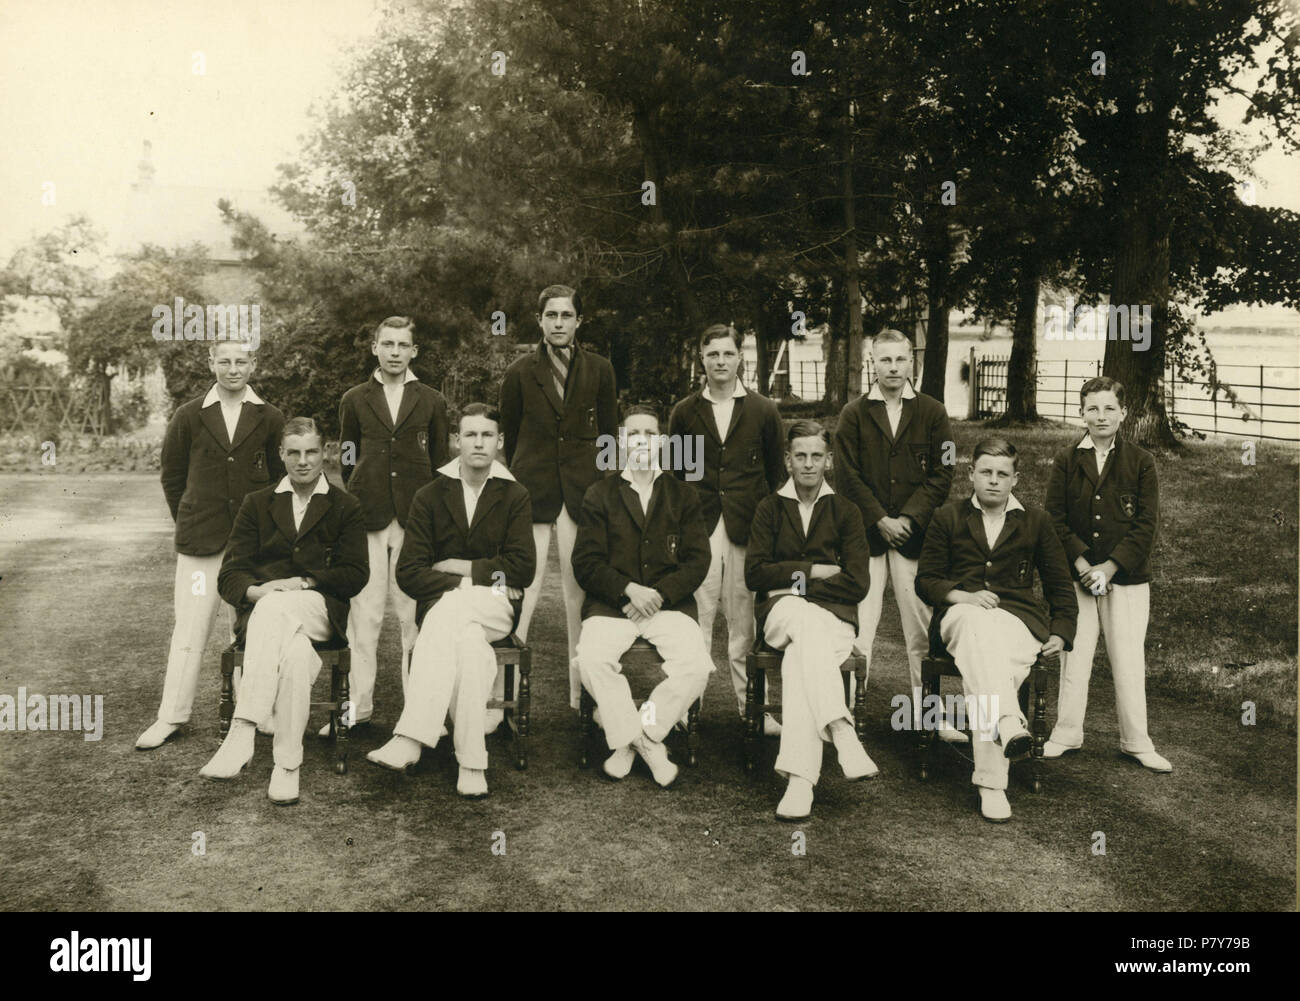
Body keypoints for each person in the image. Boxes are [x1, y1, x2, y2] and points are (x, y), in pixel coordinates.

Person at [366, 403, 535, 798]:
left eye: (487, 435)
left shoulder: (515, 495)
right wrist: (479, 581)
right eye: (471, 435)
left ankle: (412, 736)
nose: (479, 443)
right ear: (458, 440)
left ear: (500, 442)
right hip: (469, 603)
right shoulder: (429, 495)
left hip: (497, 608)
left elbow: (523, 568)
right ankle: (473, 763)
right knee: (470, 648)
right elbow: (409, 571)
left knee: (448, 616)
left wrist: (459, 567)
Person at [199, 418, 369, 805]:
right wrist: (259, 591)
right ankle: (287, 766)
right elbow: (230, 574)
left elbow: (356, 574)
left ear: (324, 453)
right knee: (293, 656)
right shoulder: (257, 503)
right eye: (294, 453)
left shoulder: (345, 506)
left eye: (311, 452)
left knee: (279, 608)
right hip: (268, 616)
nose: (304, 461)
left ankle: (243, 729)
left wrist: (305, 583)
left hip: (320, 609)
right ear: (281, 455)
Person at [916, 437, 1078, 822]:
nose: (993, 480)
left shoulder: (1036, 520)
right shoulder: (947, 516)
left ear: (1015, 479)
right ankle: (1007, 723)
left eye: (1002, 474)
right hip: (960, 618)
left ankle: (992, 782)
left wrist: (1061, 631)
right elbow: (926, 581)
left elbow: (1059, 584)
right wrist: (962, 596)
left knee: (988, 662)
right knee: (976, 625)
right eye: (985, 472)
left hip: (1016, 622)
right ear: (970, 474)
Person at [136, 338, 285, 750]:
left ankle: (255, 711)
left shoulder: (270, 417)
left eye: (241, 361)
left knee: (254, 627)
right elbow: (173, 477)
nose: (233, 368)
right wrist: (192, 518)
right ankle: (172, 715)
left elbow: (279, 481)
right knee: (190, 626)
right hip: (201, 547)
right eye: (224, 361)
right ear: (211, 364)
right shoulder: (189, 415)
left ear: (253, 365)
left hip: (251, 549)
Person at [571, 403, 712, 788]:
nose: (642, 441)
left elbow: (698, 560)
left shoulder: (683, 494)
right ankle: (648, 746)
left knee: (697, 666)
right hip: (612, 606)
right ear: (620, 440)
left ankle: (638, 736)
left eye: (650, 434)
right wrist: (627, 589)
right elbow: (585, 561)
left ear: (663, 441)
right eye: (634, 434)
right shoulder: (600, 493)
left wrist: (659, 595)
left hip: (668, 606)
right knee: (592, 660)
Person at [833, 328, 960, 741]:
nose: (892, 367)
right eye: (884, 360)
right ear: (873, 362)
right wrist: (878, 519)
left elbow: (945, 471)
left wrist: (908, 517)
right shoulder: (853, 413)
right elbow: (845, 475)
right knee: (858, 628)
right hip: (865, 537)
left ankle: (929, 714)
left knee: (920, 630)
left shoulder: (934, 412)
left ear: (911, 362)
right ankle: (846, 714)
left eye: (900, 360)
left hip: (913, 537)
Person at [745, 420, 875, 820]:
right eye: (799, 456)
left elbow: (857, 583)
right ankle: (839, 725)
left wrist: (791, 580)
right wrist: (816, 571)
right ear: (787, 460)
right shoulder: (769, 508)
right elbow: (755, 574)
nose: (808, 464)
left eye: (816, 456)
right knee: (801, 623)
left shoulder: (847, 511)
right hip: (779, 616)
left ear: (829, 460)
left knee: (804, 651)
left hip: (832, 620)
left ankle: (800, 783)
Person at [500, 284, 618, 714]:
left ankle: (583, 696)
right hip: (531, 494)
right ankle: (503, 698)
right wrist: (519, 481)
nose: (559, 323)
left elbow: (608, 434)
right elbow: (511, 437)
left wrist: (602, 489)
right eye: (551, 316)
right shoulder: (518, 372)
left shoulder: (601, 369)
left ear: (579, 321)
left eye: (566, 316)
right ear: (540, 320)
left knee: (579, 594)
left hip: (582, 495)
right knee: (520, 594)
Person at [1042, 377, 1170, 772]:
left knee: (1128, 659)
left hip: (1127, 579)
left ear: (1123, 413)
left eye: (1109, 408)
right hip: (1077, 577)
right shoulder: (1066, 459)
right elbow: (1054, 520)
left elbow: (1146, 524)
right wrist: (1082, 565)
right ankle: (1066, 733)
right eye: (1093, 409)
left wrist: (1110, 567)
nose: (1101, 416)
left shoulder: (1141, 461)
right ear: (1081, 412)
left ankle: (1136, 740)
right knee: (1074, 655)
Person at [331, 315, 450, 735]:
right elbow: (347, 456)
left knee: (411, 614)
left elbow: (440, 460)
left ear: (414, 351)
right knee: (364, 615)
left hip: (415, 520)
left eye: (403, 345)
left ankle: (417, 713)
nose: (395, 352)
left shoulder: (431, 399)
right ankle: (358, 708)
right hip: (367, 516)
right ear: (375, 348)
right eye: (388, 344)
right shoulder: (355, 398)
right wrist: (360, 491)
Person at [668, 323, 784, 734]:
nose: (720, 361)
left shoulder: (763, 410)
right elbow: (677, 476)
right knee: (694, 619)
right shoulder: (684, 411)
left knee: (743, 623)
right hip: (698, 527)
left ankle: (754, 708)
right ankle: (682, 706)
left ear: (740, 358)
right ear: (702, 358)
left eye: (727, 354)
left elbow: (776, 477)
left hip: (746, 527)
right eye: (712, 354)